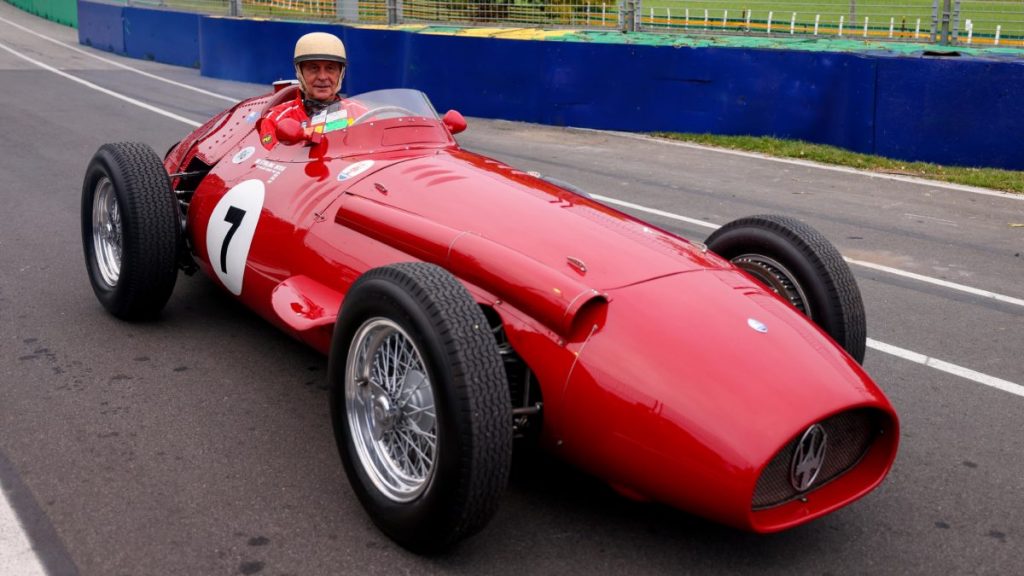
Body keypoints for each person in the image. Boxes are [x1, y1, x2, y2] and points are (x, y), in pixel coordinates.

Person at [258, 32, 348, 148]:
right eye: (313, 68)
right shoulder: (274, 119)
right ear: (300, 73)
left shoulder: (358, 112)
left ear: (340, 73)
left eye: (330, 68)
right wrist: (307, 136)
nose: (322, 77)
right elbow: (273, 160)